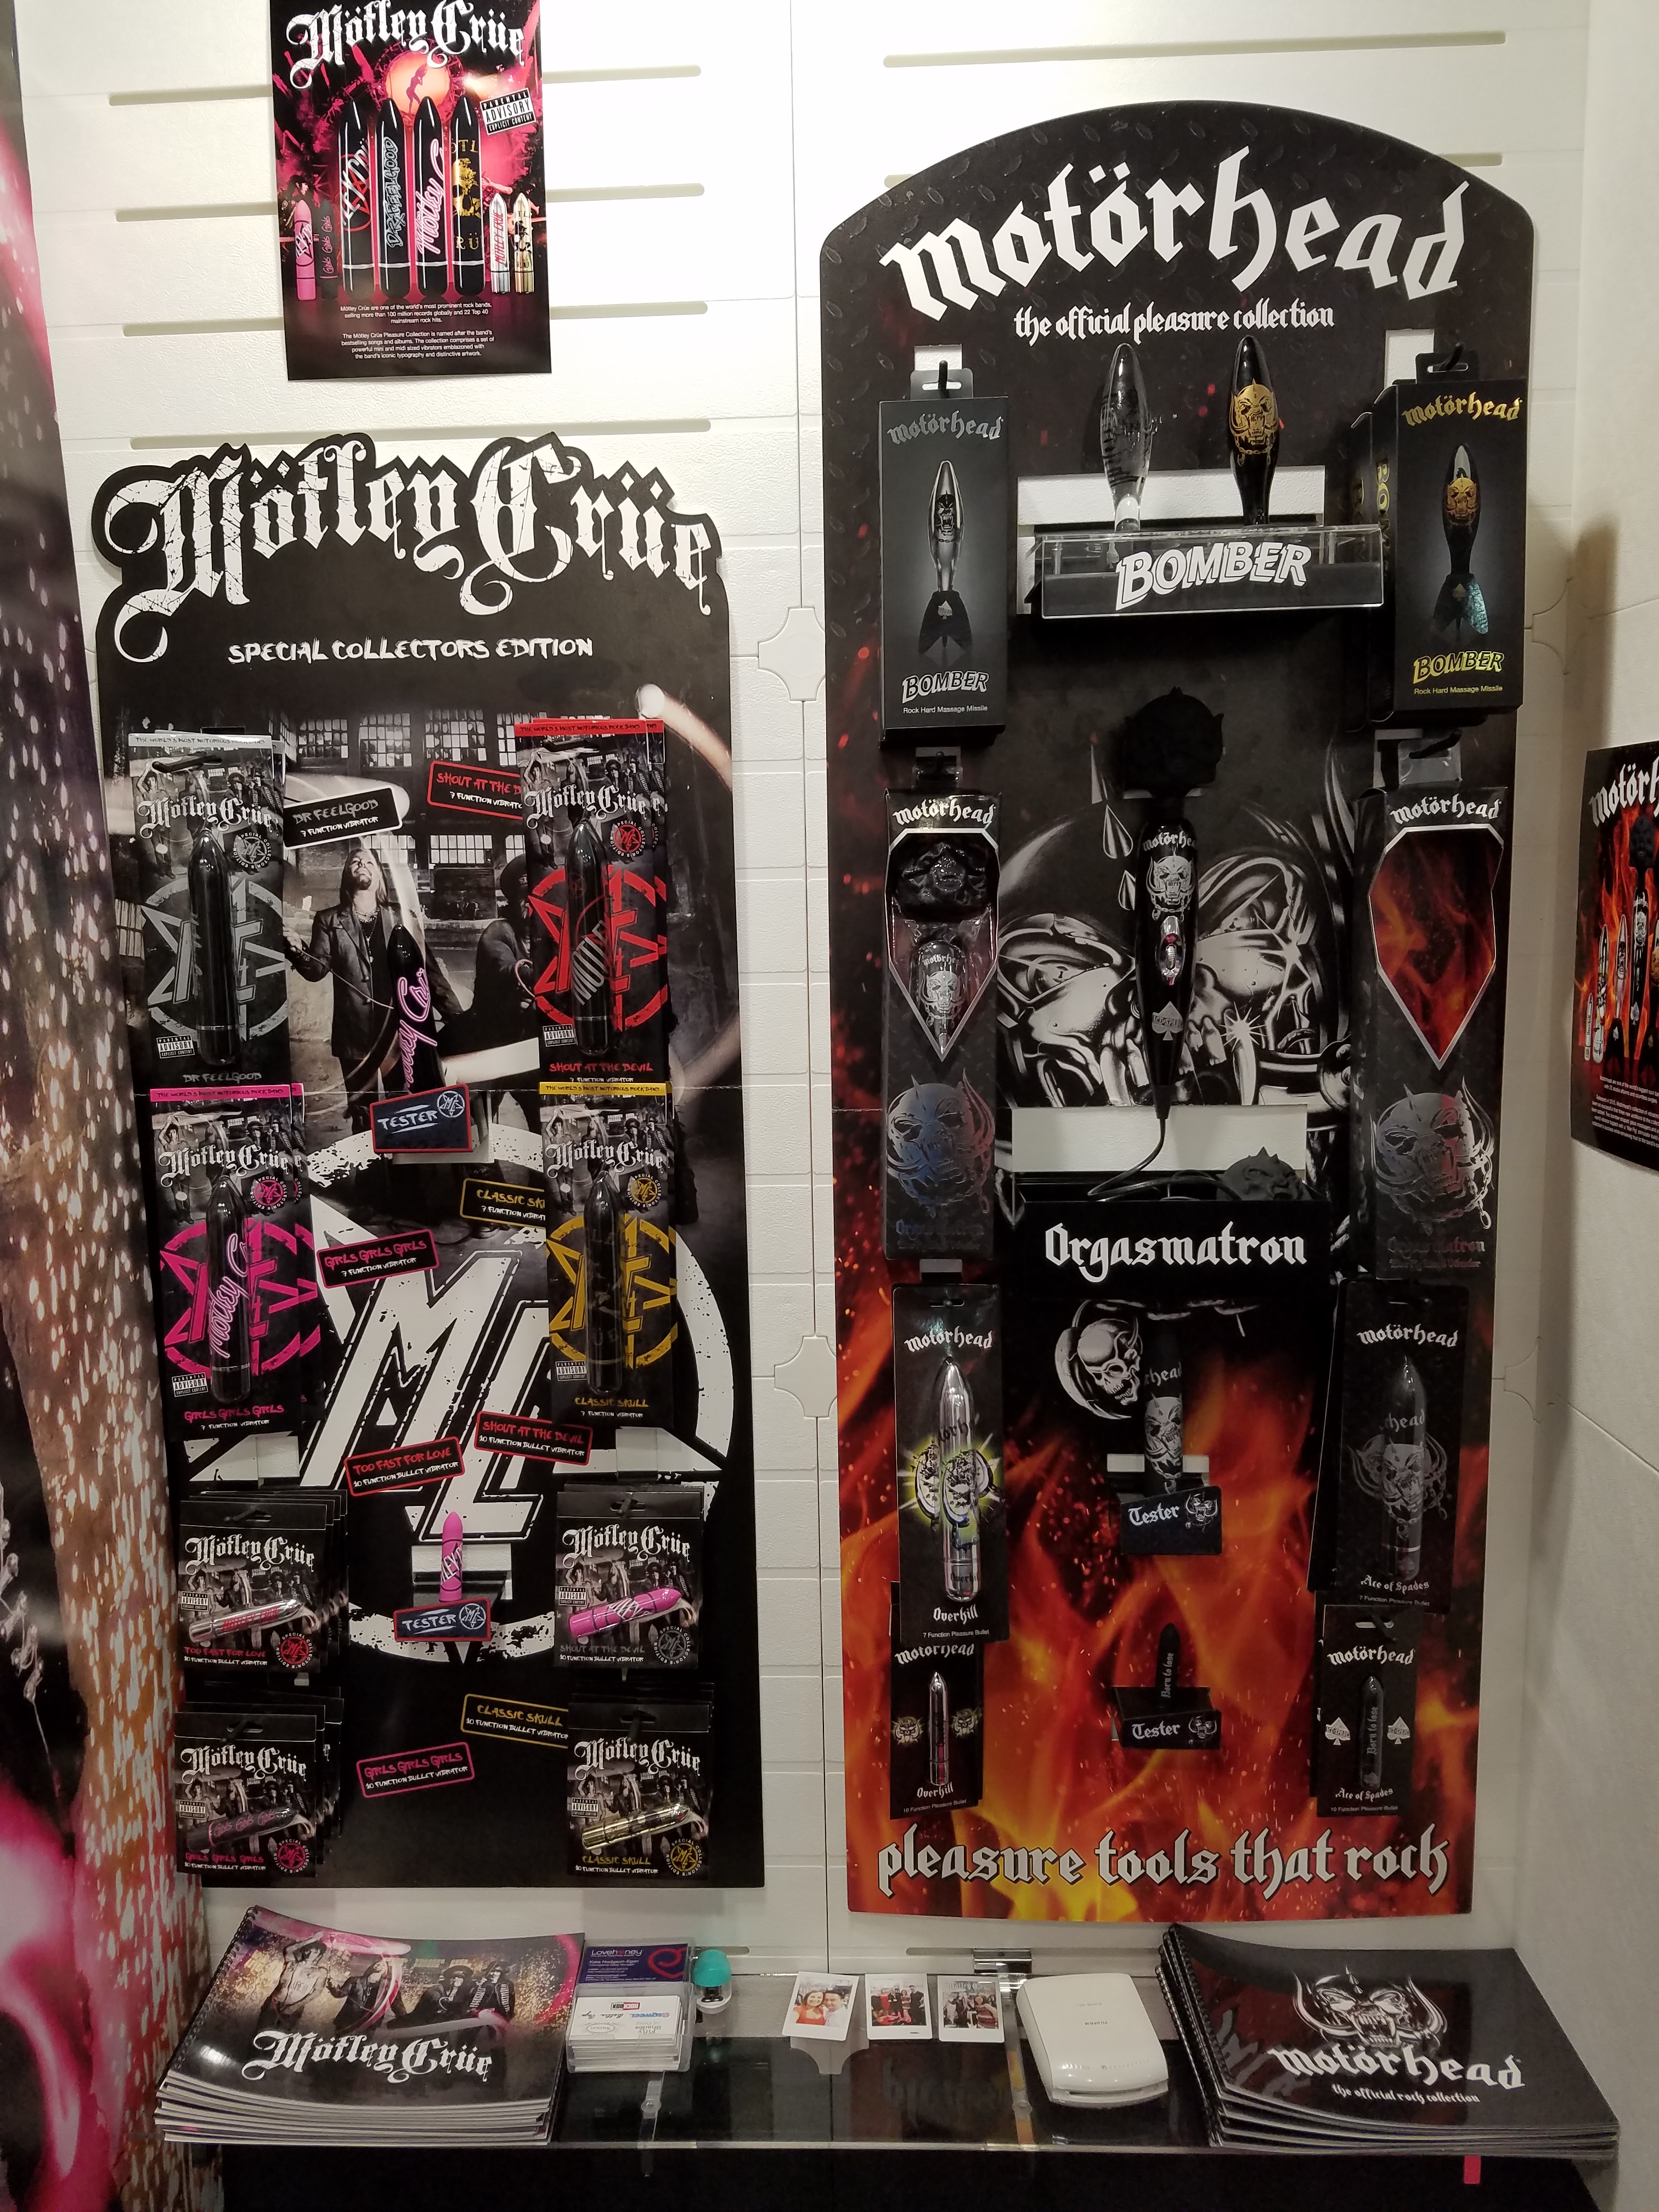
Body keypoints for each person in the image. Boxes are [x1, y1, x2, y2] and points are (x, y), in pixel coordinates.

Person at [284, 849, 397, 1133]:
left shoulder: (399, 916)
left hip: (397, 1032)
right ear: (347, 874)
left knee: (404, 1109)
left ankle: (403, 1159)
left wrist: (455, 1015)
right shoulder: (329, 919)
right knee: (363, 1114)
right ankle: (367, 1159)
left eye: (369, 862)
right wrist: (296, 949)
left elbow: (427, 971)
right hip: (354, 1033)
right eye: (355, 862)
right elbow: (316, 970)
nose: (362, 865)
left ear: (379, 875)